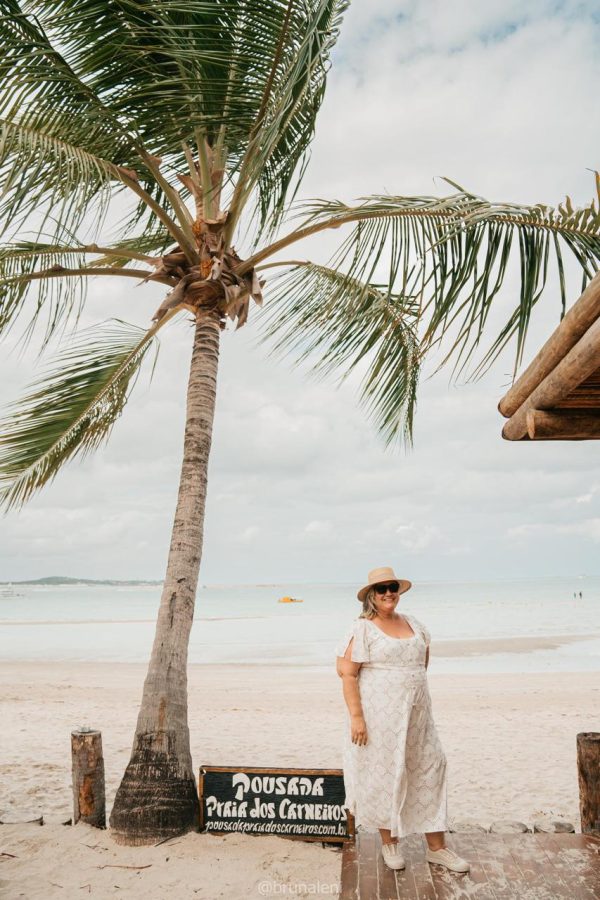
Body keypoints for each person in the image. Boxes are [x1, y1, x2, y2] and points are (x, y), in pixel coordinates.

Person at [335, 566, 470, 873]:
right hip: (377, 717)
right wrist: (357, 717)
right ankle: (390, 843)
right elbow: (347, 673)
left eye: (392, 587)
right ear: (371, 595)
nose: (388, 593)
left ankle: (437, 848)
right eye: (381, 589)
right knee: (385, 774)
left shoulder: (414, 624)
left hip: (418, 717)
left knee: (430, 768)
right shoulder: (362, 628)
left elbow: (422, 663)